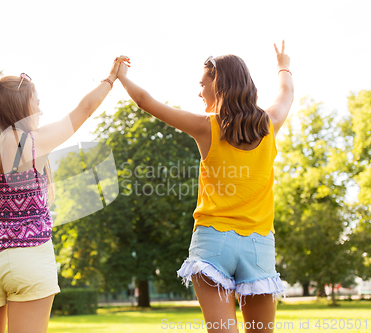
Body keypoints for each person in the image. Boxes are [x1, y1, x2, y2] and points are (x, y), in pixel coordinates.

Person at [0, 57, 125, 333]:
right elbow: (85, 109)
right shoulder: (35, 143)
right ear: (21, 107)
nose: (40, 109)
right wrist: (110, 79)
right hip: (29, 258)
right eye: (36, 102)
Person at [116, 41, 293, 332]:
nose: (199, 92)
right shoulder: (270, 124)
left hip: (214, 243)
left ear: (219, 84)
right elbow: (286, 92)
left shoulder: (206, 127)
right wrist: (283, 66)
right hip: (259, 244)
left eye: (203, 84)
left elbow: (146, 102)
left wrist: (121, 75)